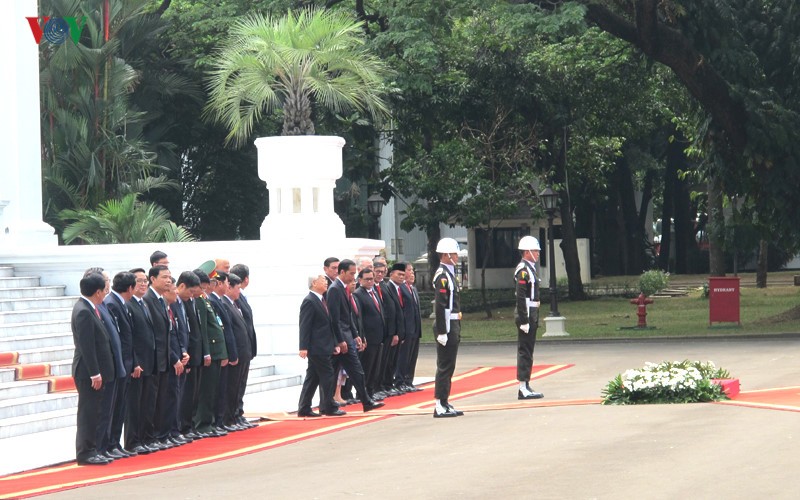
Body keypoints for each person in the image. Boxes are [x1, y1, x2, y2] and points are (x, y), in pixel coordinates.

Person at [327, 259, 384, 414]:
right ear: (342, 272)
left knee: (355, 371)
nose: (353, 277)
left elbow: (349, 315)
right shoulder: (334, 289)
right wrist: (340, 340)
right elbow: (335, 319)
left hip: (347, 336)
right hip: (342, 339)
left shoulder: (343, 288)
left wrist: (355, 334)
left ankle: (365, 400)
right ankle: (328, 403)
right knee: (332, 372)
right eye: (351, 273)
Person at [71, 272, 115, 465]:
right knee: (88, 413)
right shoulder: (83, 311)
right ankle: (85, 452)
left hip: (95, 371)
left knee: (96, 411)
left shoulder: (90, 308)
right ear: (97, 292)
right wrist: (95, 373)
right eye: (104, 290)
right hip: (87, 372)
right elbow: (86, 346)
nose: (105, 293)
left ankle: (93, 448)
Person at [297, 275, 341, 417]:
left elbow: (327, 325)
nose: (326, 283)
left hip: (324, 345)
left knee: (313, 377)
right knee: (328, 375)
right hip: (316, 346)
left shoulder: (321, 300)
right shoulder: (309, 301)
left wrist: (334, 343)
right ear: (314, 283)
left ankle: (304, 407)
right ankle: (328, 406)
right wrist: (303, 347)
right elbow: (305, 325)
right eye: (323, 281)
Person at [125, 268, 159, 454]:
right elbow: (131, 339)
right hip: (138, 363)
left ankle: (146, 437)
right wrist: (135, 362)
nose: (144, 284)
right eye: (139, 281)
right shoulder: (129, 305)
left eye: (145, 281)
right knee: (134, 405)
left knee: (147, 404)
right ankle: (133, 441)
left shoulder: (143, 304)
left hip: (149, 362)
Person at [192, 269, 229, 437]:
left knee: (213, 390)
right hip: (210, 352)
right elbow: (204, 330)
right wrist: (207, 352)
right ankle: (203, 423)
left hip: (216, 351)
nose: (210, 285)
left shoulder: (205, 300)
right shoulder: (199, 301)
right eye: (207, 283)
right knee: (206, 391)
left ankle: (210, 421)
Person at [104, 271, 137, 457]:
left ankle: (115, 443)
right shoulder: (112, 304)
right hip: (119, 363)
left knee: (120, 407)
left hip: (126, 363)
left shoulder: (120, 303)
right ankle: (110, 443)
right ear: (130, 288)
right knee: (115, 408)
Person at [432, 237, 464, 418]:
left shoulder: (449, 274)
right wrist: (443, 331)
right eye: (453, 254)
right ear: (445, 255)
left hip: (453, 323)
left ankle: (444, 401)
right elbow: (441, 306)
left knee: (449, 365)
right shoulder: (442, 276)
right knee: (444, 365)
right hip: (447, 325)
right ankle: (438, 404)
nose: (456, 257)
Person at [221, 273, 254, 429]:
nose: (239, 292)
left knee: (239, 387)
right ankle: (229, 418)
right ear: (229, 288)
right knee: (231, 388)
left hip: (244, 351)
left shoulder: (235, 304)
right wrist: (233, 353)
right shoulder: (225, 304)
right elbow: (229, 332)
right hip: (236, 353)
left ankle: (236, 416)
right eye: (237, 288)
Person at [515, 236, 545, 400]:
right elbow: (521, 297)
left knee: (528, 350)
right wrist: (524, 320)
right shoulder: (523, 271)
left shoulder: (530, 268)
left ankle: (526, 384)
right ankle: (522, 386)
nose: (538, 253)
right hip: (526, 313)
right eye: (535, 250)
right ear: (526, 252)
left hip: (531, 312)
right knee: (525, 351)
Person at [230, 263, 258, 429]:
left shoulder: (240, 297)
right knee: (234, 386)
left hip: (246, 347)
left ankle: (238, 413)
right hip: (239, 349)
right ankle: (234, 415)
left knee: (240, 385)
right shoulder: (233, 299)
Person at [353, 267, 385, 401]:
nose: (370, 281)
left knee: (375, 367)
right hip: (368, 337)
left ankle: (371, 391)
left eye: (372, 279)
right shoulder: (358, 294)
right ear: (360, 280)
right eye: (367, 279)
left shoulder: (374, 292)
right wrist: (362, 335)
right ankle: (363, 393)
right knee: (367, 366)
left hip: (378, 336)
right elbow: (359, 317)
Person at [380, 263, 406, 396]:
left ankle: (389, 384)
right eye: (399, 274)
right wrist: (394, 332)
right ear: (391, 274)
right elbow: (389, 312)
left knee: (393, 361)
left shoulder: (399, 289)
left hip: (399, 331)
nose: (401, 277)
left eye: (403, 275)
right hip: (390, 332)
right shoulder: (387, 287)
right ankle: (385, 384)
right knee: (387, 361)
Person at [396, 263, 422, 392]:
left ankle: (409, 380)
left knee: (412, 356)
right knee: (404, 356)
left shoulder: (413, 288)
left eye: (413, 271)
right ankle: (400, 381)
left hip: (415, 329)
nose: (412, 273)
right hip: (407, 329)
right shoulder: (401, 288)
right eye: (409, 271)